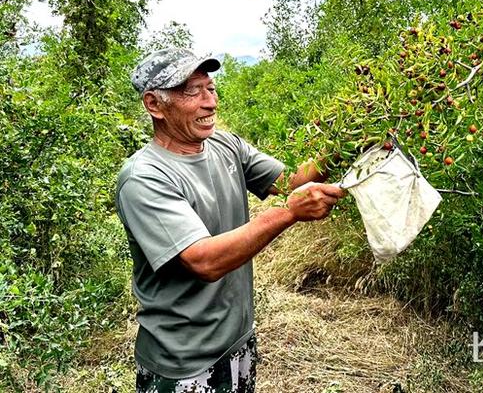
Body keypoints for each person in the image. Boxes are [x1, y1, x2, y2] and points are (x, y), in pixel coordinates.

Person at [116, 48, 343, 393]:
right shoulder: (145, 177)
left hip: (238, 342)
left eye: (211, 88)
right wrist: (289, 212)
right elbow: (203, 260)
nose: (210, 102)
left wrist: (350, 140)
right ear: (154, 104)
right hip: (184, 363)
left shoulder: (226, 145)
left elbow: (290, 184)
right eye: (193, 91)